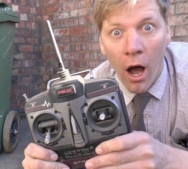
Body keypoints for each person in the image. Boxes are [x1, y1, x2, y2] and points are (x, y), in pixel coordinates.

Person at [22, 0, 188, 168]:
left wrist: (170, 159)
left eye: (147, 27)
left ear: (167, 31)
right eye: (116, 32)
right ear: (101, 43)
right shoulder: (82, 96)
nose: (132, 47)